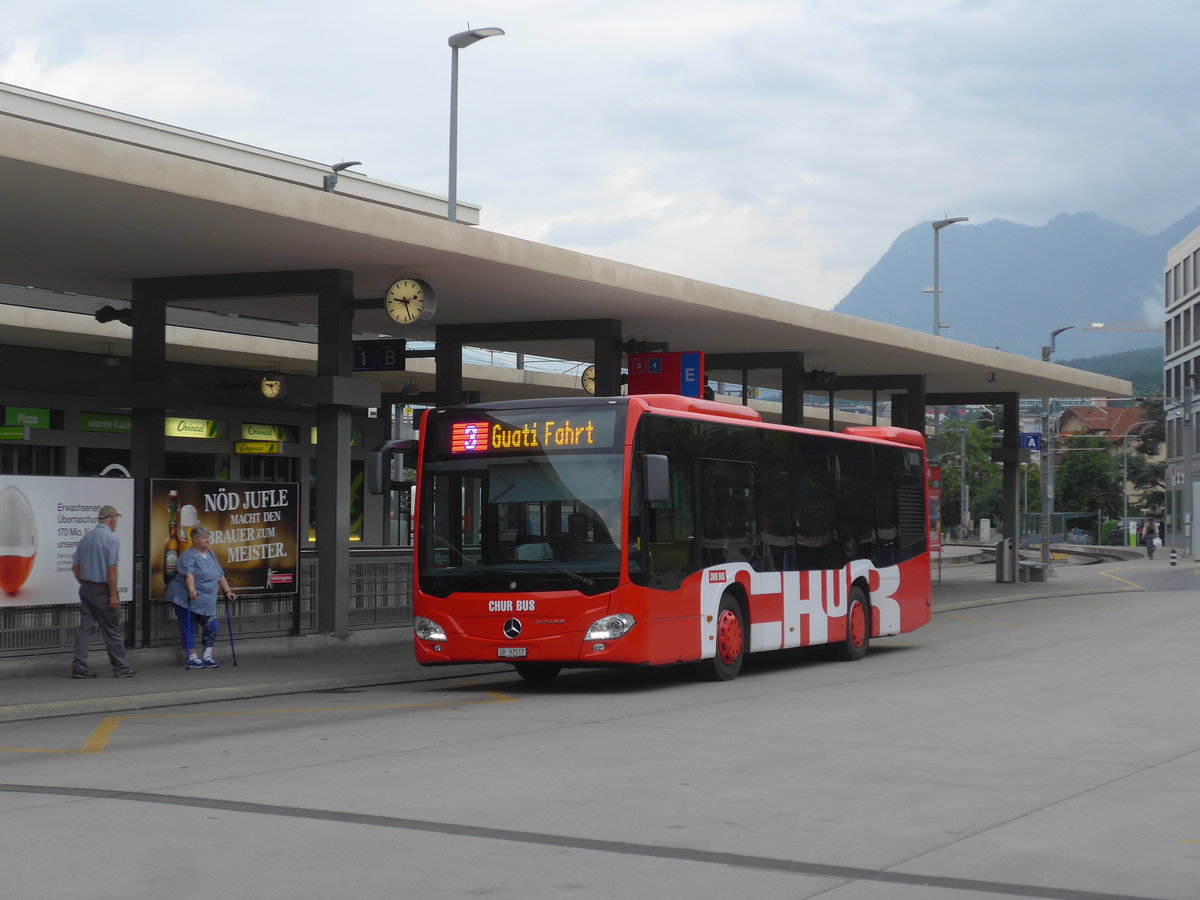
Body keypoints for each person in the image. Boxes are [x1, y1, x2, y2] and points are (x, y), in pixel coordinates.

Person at [71, 505, 135, 678]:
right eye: (116, 520)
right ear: (113, 520)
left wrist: (84, 582)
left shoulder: (86, 538)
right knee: (112, 630)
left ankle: (79, 667)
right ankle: (121, 668)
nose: (116, 523)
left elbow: (75, 566)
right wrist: (113, 594)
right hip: (103, 591)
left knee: (85, 629)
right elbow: (112, 569)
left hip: (86, 589)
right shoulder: (111, 539)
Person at [165, 525, 237, 669]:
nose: (208, 540)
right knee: (189, 626)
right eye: (204, 537)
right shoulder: (188, 555)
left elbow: (220, 574)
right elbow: (189, 574)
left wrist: (228, 591)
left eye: (208, 537)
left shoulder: (210, 554)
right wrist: (192, 590)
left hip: (206, 599)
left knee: (212, 625)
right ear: (195, 540)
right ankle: (191, 657)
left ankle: (207, 656)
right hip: (185, 597)